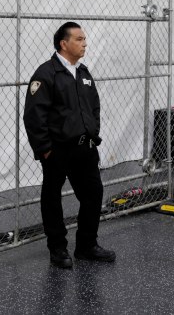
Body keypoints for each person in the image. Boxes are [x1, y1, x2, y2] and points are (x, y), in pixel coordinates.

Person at [22, 22, 115, 268]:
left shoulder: (83, 73)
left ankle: (86, 245)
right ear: (64, 44)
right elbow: (34, 116)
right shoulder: (46, 74)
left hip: (85, 148)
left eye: (85, 39)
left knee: (93, 194)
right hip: (57, 150)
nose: (85, 43)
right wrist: (45, 149)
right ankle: (58, 249)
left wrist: (92, 132)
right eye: (79, 39)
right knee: (52, 198)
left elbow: (94, 107)